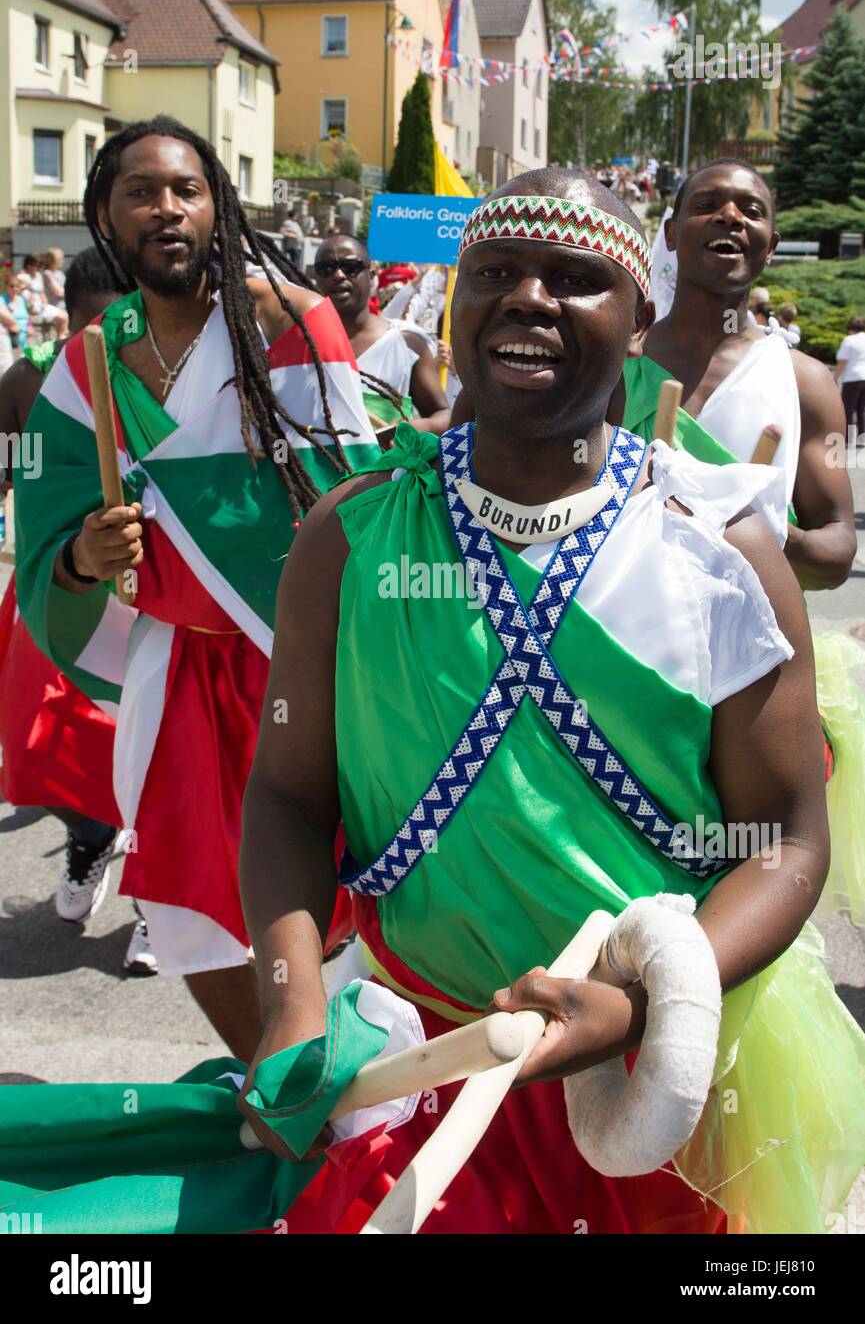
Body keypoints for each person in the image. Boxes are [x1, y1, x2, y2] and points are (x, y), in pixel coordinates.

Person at [238, 168, 865, 1234]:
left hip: (652, 1088)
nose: (528, 297)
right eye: (494, 272)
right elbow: (288, 798)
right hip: (409, 1064)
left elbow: (785, 840)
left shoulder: (722, 552)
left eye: (576, 278)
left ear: (639, 323)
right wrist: (294, 1001)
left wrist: (639, 1003)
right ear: (455, 300)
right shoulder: (347, 538)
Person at [15, 116, 377, 1061]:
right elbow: (46, 525)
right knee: (181, 900)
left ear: (218, 207)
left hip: (294, 664)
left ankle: (338, 1094)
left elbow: (353, 506)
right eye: (141, 191)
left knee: (328, 896)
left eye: (187, 188)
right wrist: (82, 560)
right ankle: (276, 1078)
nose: (166, 208)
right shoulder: (91, 358)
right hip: (172, 677)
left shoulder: (289, 321)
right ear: (106, 214)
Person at [614, 156, 865, 925]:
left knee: (729, 891)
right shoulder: (607, 361)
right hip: (607, 662)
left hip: (742, 685)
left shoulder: (803, 383)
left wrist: (748, 527)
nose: (730, 218)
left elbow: (834, 553)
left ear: (769, 241)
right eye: (708, 205)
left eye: (749, 210)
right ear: (669, 230)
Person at [0, 250, 157, 970]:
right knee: (43, 748)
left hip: (148, 600)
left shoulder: (160, 381)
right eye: (89, 322)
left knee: (160, 751)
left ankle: (162, 893)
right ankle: (91, 840)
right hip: (49, 596)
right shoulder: (27, 380)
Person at [313, 234, 450, 434]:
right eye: (326, 268)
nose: (338, 275)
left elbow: (444, 415)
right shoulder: (295, 342)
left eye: (350, 266)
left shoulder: (408, 343)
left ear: (372, 274)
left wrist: (415, 428)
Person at [17, 253, 68, 339]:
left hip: (40, 305)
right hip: (27, 305)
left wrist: (46, 304)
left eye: (37, 266)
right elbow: (18, 291)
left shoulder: (39, 275)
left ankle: (61, 339)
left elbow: (42, 293)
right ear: (28, 265)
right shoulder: (22, 275)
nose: (35, 268)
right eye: (33, 265)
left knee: (64, 316)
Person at [835, 315, 865, 444]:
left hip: (852, 377)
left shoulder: (849, 340)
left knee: (848, 409)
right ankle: (861, 439)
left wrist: (834, 378)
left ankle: (847, 439)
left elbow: (842, 362)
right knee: (862, 410)